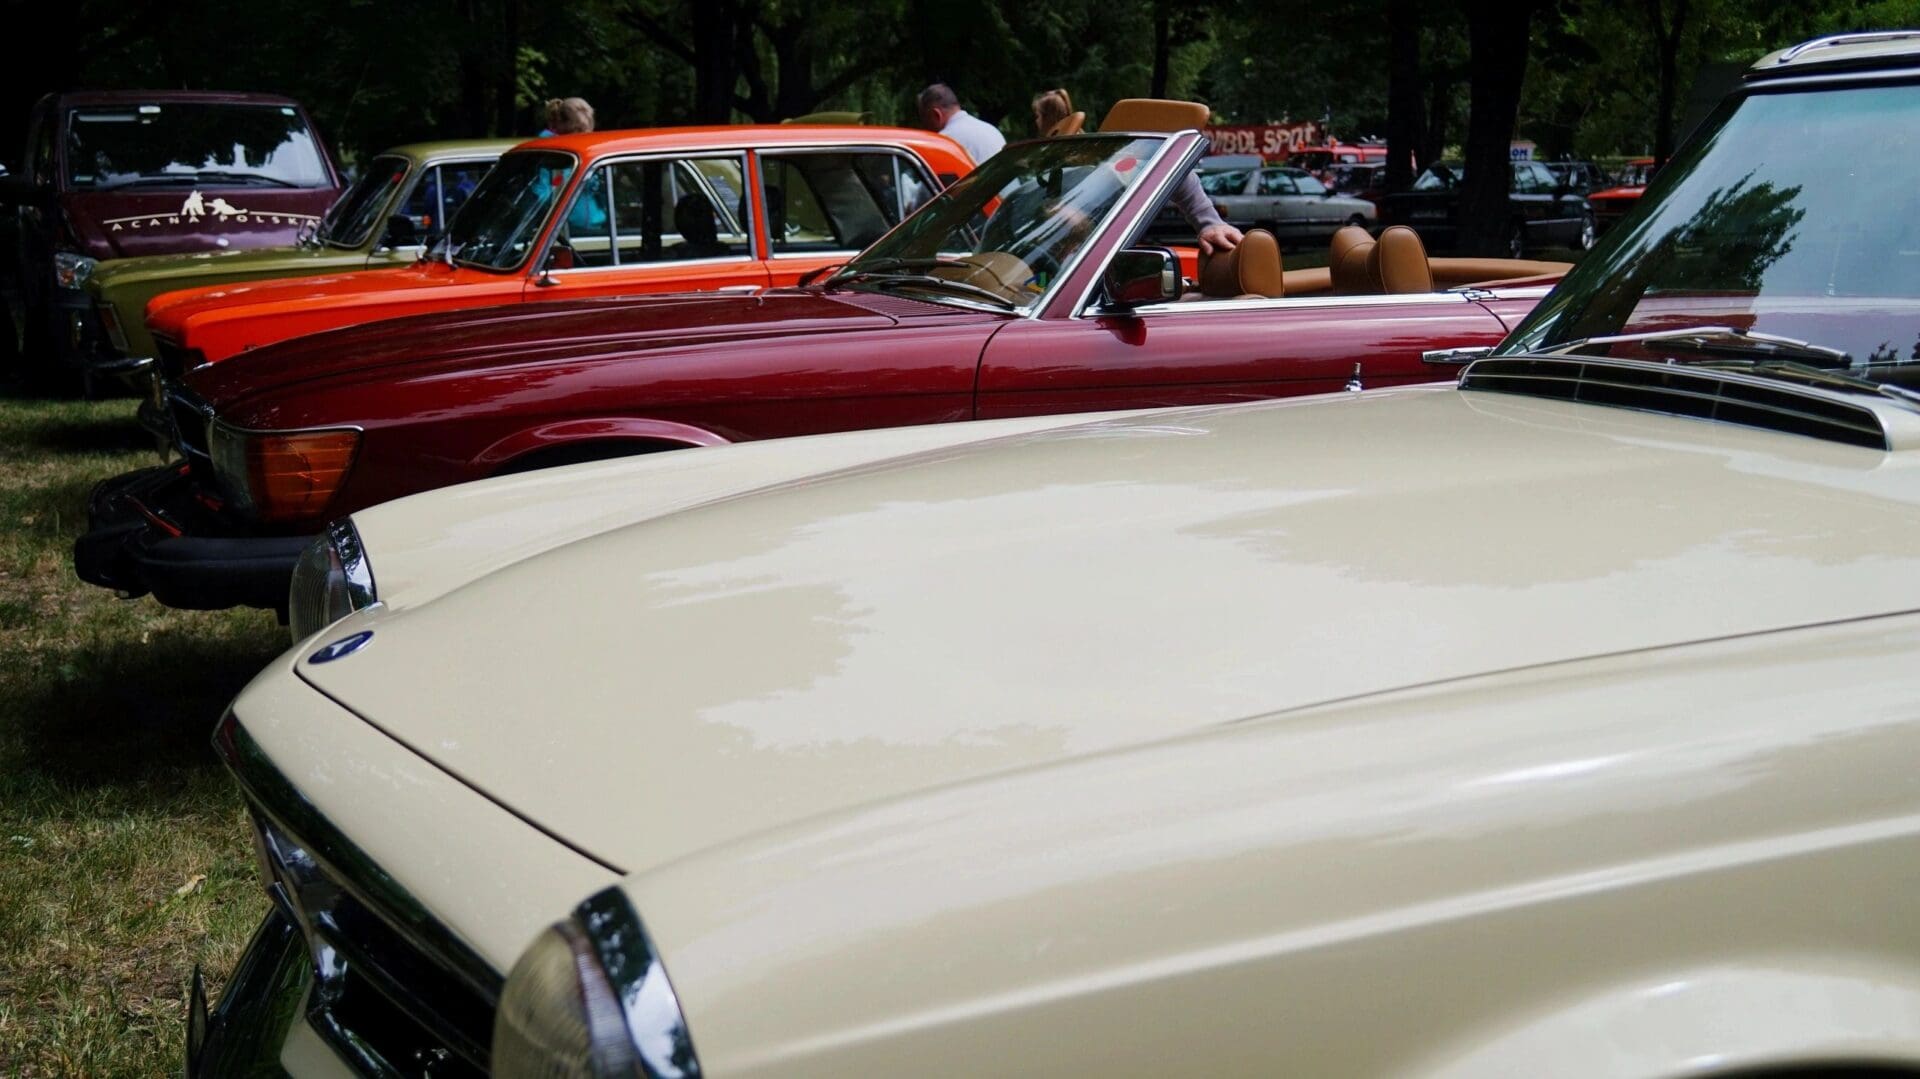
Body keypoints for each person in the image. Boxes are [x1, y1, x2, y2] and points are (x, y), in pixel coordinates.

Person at [918, 83, 1006, 166]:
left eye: (925, 120)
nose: (925, 127)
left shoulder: (945, 141)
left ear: (936, 115)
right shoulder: (991, 130)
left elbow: (929, 179)